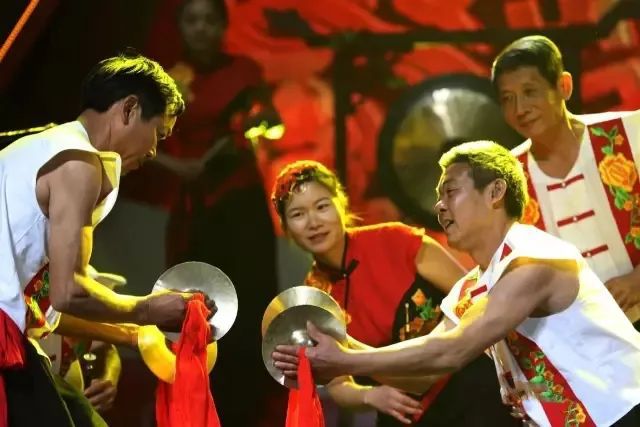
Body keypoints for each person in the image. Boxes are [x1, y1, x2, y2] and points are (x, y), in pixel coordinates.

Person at [273, 141, 640, 426]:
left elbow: (454, 350)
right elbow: (425, 374)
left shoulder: (532, 258)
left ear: (495, 192)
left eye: (450, 192)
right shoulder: (472, 287)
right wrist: (344, 348)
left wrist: (345, 359)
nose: (439, 207)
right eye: (439, 197)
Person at [0, 52, 215, 426]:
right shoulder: (79, 162)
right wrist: (147, 310)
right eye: (159, 133)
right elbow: (70, 292)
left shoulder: (45, 148)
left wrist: (134, 332)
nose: (154, 151)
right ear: (129, 109)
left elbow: (53, 306)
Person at [121, 1, 280, 424]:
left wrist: (261, 122)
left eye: (210, 20)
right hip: (195, 206)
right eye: (192, 20)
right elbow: (134, 139)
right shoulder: (166, 79)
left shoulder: (244, 71)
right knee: (197, 302)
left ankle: (250, 409)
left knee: (251, 300)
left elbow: (270, 118)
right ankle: (197, 404)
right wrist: (180, 167)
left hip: (241, 202)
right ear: (181, 27)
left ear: (223, 26)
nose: (201, 28)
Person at [271, 160, 520, 426]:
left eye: (322, 207)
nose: (313, 222)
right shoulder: (312, 299)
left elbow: (478, 299)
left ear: (341, 205)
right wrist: (370, 395)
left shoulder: (396, 239)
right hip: (406, 414)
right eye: (298, 214)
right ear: (285, 228)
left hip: (472, 386)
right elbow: (338, 385)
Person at [491, 35, 640, 327]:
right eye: (508, 99)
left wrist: (637, 280)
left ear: (564, 86)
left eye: (530, 92)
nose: (520, 109)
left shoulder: (631, 134)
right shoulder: (506, 179)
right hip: (579, 341)